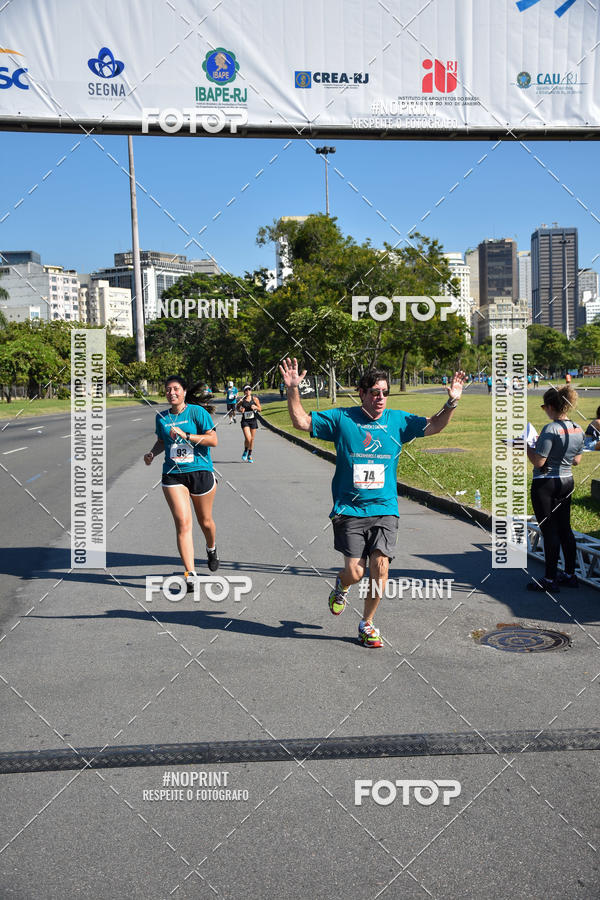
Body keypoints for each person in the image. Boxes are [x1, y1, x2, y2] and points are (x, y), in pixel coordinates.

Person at [279, 358, 467, 648]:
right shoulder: (343, 419)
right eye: (374, 392)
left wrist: (452, 402)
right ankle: (342, 585)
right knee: (355, 571)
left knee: (380, 567)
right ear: (362, 393)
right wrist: (293, 390)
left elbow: (434, 425)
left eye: (385, 392)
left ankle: (367, 624)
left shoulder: (398, 421)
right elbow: (301, 421)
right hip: (349, 509)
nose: (380, 397)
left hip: (384, 509)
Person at [144, 376, 219, 587]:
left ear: (184, 391)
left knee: (205, 522)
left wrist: (187, 435)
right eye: (168, 390)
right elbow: (161, 441)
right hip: (173, 474)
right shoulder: (162, 417)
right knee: (183, 524)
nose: (172, 393)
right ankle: (190, 575)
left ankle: (211, 548)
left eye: (176, 389)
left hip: (200, 470)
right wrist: (151, 453)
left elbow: (213, 440)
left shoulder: (197, 412)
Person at [526, 385, 584, 592]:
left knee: (548, 530)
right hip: (567, 480)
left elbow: (539, 461)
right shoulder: (578, 428)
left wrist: (524, 446)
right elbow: (576, 460)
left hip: (546, 483)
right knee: (565, 529)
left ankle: (550, 579)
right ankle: (569, 574)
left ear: (550, 406)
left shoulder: (550, 429)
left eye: (544, 407)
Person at [237, 384, 262, 462]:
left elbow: (260, 409)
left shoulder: (255, 399)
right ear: (244, 392)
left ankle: (250, 454)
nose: (248, 391)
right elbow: (237, 408)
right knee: (248, 438)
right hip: (245, 421)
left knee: (252, 439)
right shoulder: (242, 400)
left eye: (249, 389)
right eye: (246, 390)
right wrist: (240, 409)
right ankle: (245, 451)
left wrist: (256, 407)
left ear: (251, 391)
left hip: (253, 420)